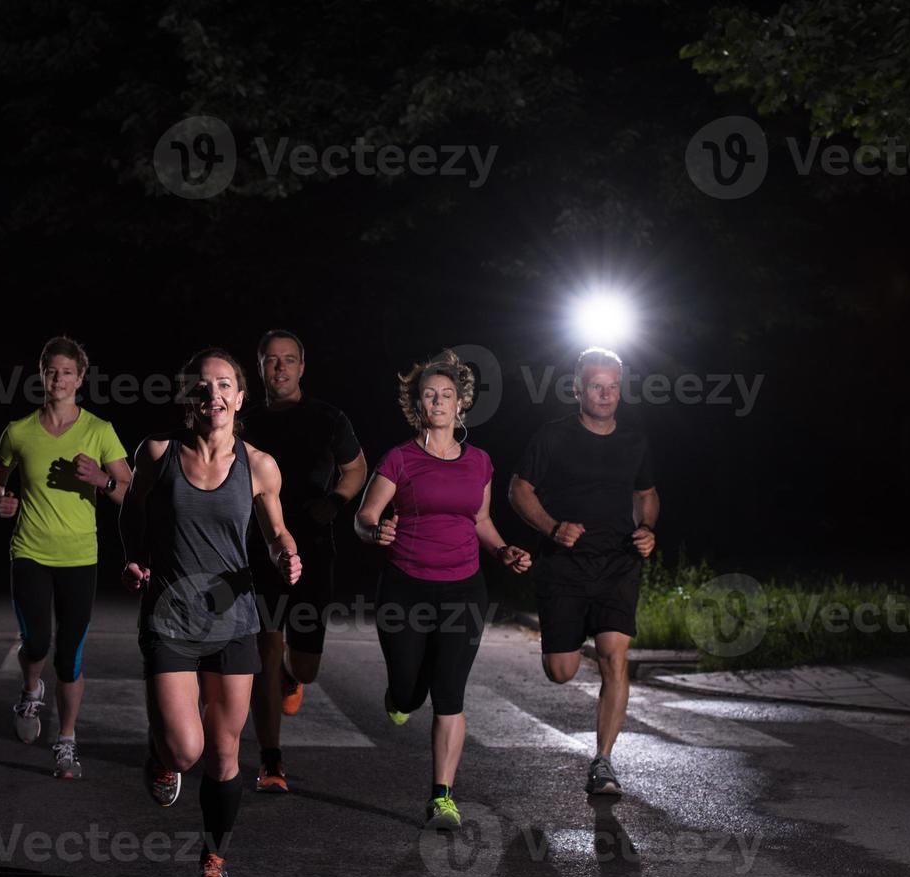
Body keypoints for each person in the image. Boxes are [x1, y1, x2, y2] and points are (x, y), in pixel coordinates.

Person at [119, 348, 300, 877]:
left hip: (234, 621)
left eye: (224, 386)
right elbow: (132, 508)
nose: (213, 395)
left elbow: (276, 532)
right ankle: (161, 754)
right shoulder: (157, 453)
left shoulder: (260, 465)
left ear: (240, 398)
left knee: (225, 755)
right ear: (188, 397)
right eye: (202, 386)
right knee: (184, 752)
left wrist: (287, 554)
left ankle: (213, 860)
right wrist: (133, 556)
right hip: (169, 618)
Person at [354, 348, 530, 830]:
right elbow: (365, 516)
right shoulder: (400, 458)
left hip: (463, 591)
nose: (438, 401)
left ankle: (442, 797)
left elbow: (482, 520)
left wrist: (503, 551)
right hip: (405, 589)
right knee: (411, 695)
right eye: (429, 394)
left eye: (446, 394)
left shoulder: (480, 463)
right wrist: (375, 532)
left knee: (450, 693)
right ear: (418, 404)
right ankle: (400, 698)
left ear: (460, 405)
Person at [507, 346, 659, 796]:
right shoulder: (553, 437)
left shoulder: (635, 441)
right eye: (597, 386)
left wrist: (648, 528)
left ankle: (604, 762)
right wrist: (553, 528)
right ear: (578, 389)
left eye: (613, 387)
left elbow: (646, 493)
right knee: (561, 671)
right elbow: (519, 490)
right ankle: (574, 640)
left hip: (618, 564)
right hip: (564, 567)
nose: (606, 395)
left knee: (616, 658)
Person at [0, 335, 131, 779]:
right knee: (36, 643)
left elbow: (131, 491)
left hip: (80, 557)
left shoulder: (99, 430)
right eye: (52, 370)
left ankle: (66, 741)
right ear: (41, 374)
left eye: (68, 371)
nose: (59, 378)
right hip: (29, 550)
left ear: (81, 378)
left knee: (69, 656)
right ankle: (31, 688)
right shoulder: (19, 430)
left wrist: (101, 479)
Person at [243, 329, 367, 793]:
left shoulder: (328, 418)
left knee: (306, 664)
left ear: (301, 367)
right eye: (271, 360)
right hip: (259, 547)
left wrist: (335, 502)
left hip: (312, 546)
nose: (279, 368)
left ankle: (292, 678)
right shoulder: (245, 420)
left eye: (288, 360)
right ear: (259, 368)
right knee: (266, 648)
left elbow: (356, 468)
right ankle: (271, 761)